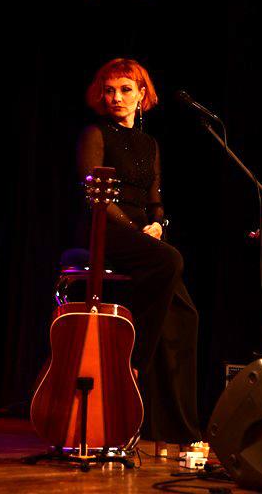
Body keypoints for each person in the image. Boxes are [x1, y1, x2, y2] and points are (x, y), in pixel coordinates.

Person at [75, 58, 201, 447]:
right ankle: (133, 362)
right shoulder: (95, 133)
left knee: (185, 316)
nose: (116, 97)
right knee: (170, 260)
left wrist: (159, 225)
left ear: (141, 94)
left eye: (125, 89)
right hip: (107, 231)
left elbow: (155, 198)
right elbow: (95, 197)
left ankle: (174, 429)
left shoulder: (150, 144)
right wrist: (137, 231)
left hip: (144, 235)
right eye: (109, 90)